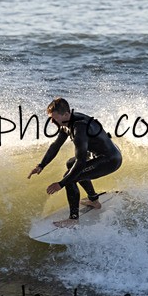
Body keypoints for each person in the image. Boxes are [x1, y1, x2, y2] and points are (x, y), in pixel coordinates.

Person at [27, 97, 122, 227]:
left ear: (66, 114)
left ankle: (73, 219)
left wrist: (61, 184)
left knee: (70, 176)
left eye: (54, 118)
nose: (52, 122)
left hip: (109, 160)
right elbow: (56, 145)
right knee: (70, 165)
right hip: (100, 154)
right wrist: (41, 165)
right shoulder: (67, 122)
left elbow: (81, 162)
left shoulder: (79, 128)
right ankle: (94, 200)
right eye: (50, 118)